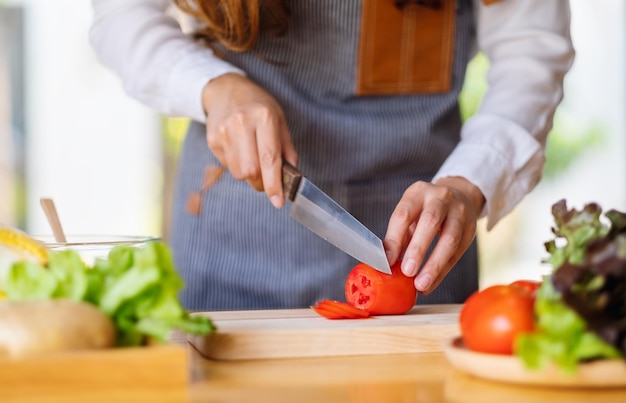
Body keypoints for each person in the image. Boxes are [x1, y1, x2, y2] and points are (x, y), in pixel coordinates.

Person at [89, 0, 574, 311]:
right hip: (233, 228)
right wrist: (214, 86)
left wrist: (470, 182)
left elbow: (531, 55)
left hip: (420, 246)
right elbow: (120, 14)